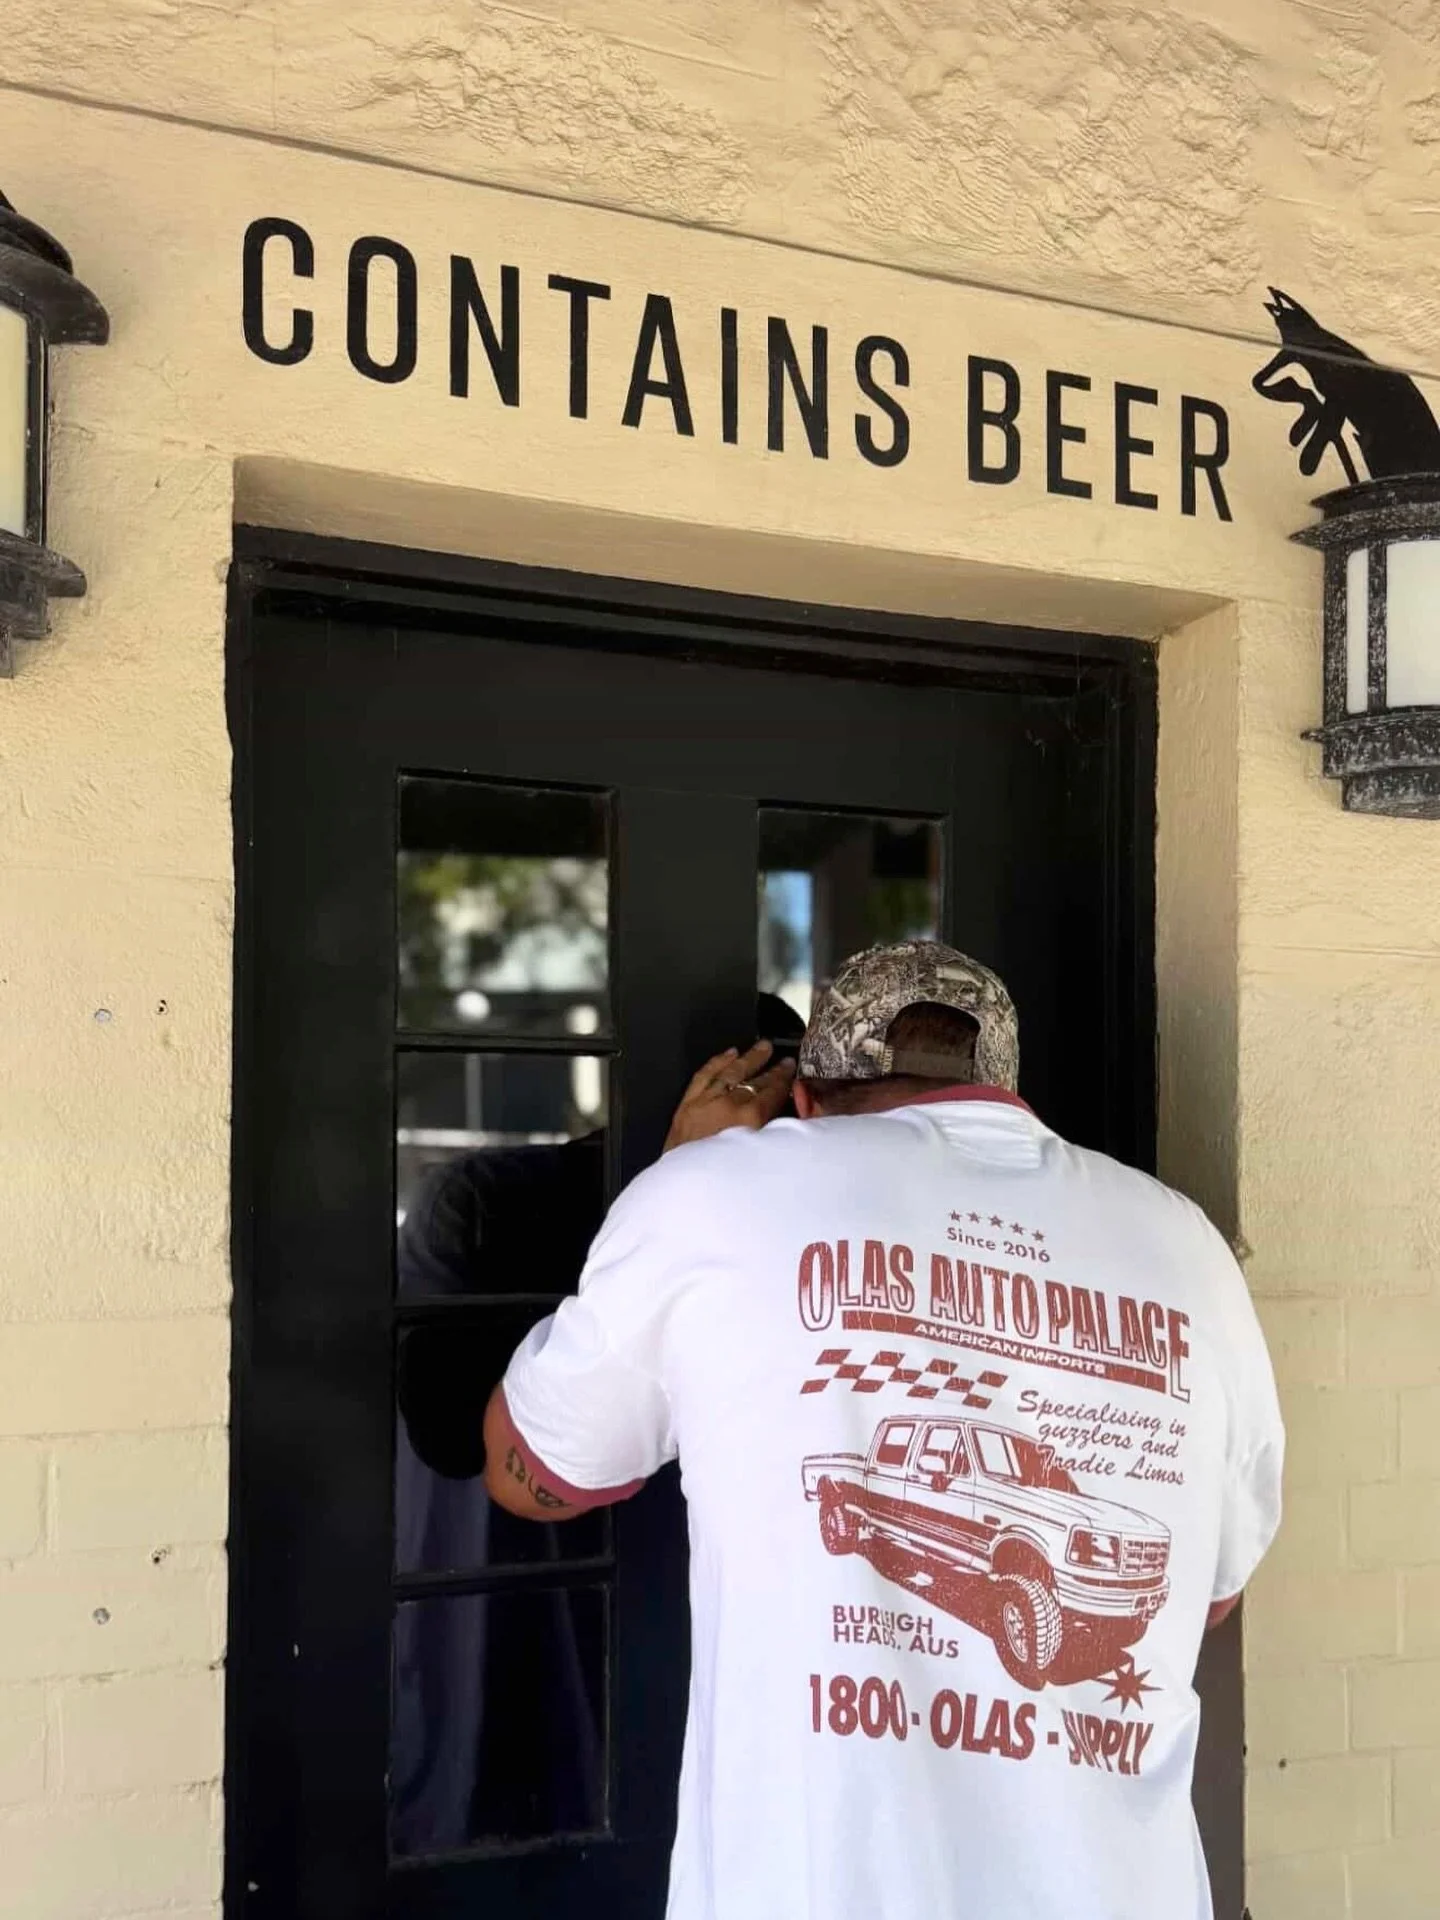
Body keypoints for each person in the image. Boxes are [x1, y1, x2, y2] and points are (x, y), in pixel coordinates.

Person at [483, 941, 1284, 1920]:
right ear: (1009, 1097)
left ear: (806, 1101)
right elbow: (1211, 1592)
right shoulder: (1189, 1250)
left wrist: (685, 1172)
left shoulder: (712, 1196)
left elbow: (530, 1470)